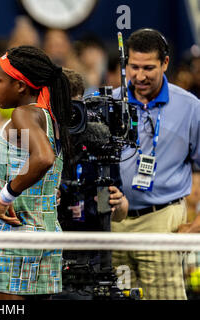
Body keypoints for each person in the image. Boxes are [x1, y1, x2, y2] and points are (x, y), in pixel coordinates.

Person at [0, 45, 73, 299]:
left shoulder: (23, 114)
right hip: (43, 239)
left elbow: (43, 157)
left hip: (13, 243)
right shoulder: (50, 118)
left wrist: (6, 197)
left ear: (20, 85)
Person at [111, 28, 200, 300]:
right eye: (133, 67)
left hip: (163, 222)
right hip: (112, 224)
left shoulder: (190, 108)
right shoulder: (108, 102)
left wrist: (196, 228)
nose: (139, 76)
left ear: (165, 63)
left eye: (148, 67)